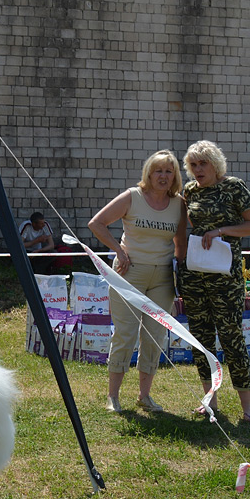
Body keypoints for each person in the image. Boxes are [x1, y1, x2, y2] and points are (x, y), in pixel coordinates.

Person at [88, 150, 186, 413]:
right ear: (148, 173)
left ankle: (145, 396)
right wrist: (118, 251)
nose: (163, 176)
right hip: (129, 274)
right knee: (125, 334)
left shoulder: (179, 204)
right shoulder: (132, 196)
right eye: (158, 170)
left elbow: (181, 242)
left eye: (168, 171)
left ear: (175, 175)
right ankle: (113, 397)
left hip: (164, 277)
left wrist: (184, 274)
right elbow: (97, 224)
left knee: (155, 336)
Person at [178, 140, 250, 424]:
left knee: (231, 337)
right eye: (193, 165)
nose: (198, 170)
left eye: (203, 164)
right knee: (200, 339)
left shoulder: (234, 187)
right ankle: (209, 401)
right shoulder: (189, 191)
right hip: (194, 276)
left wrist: (221, 231)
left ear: (215, 164)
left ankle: (247, 407)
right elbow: (182, 228)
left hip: (225, 277)